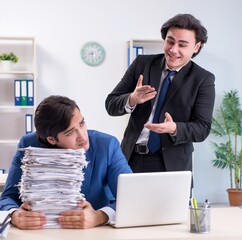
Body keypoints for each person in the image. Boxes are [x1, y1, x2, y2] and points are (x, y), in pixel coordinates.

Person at [0, 95, 132, 230]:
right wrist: (15, 215)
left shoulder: (107, 145)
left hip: (94, 233)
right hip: (42, 232)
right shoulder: (29, 146)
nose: (82, 136)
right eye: (70, 132)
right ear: (51, 139)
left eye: (82, 123)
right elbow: (8, 198)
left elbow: (131, 197)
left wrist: (99, 216)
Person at [105, 14, 215, 174]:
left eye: (182, 45)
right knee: (128, 200)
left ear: (196, 47)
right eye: (170, 41)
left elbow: (202, 128)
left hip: (172, 165)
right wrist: (131, 99)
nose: (173, 49)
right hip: (131, 158)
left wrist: (174, 128)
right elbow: (111, 104)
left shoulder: (203, 79)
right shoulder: (142, 64)